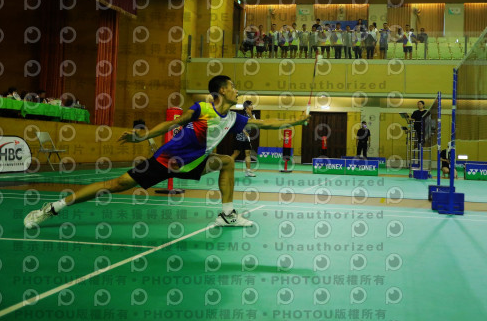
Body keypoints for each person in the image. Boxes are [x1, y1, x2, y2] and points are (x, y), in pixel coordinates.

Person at [24, 75, 310, 229]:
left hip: (194, 161)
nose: (238, 92)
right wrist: (144, 135)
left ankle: (227, 214)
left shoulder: (235, 118)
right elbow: (174, 123)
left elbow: (266, 123)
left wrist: (296, 121)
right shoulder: (203, 108)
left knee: (226, 162)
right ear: (221, 91)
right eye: (233, 87)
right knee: (115, 185)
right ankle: (54, 207)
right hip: (166, 160)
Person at [231, 100, 257, 177]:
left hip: (246, 138)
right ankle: (225, 167)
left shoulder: (253, 114)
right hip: (239, 136)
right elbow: (237, 124)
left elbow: (255, 124)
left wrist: (250, 114)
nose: (252, 106)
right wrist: (243, 130)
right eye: (251, 105)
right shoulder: (241, 114)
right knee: (236, 153)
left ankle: (248, 171)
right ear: (246, 106)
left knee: (248, 153)